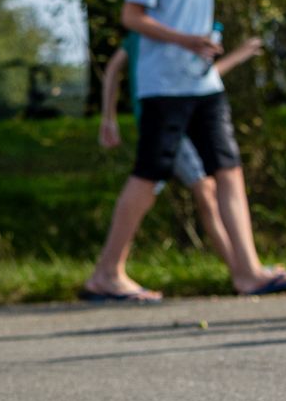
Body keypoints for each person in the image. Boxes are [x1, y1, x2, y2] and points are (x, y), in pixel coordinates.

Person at [79, 0, 286, 303]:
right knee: (148, 175)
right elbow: (132, 17)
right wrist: (185, 40)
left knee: (229, 170)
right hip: (164, 84)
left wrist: (208, 45)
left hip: (203, 83)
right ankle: (107, 273)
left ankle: (249, 273)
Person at [97, 28, 266, 276]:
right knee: (198, 190)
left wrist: (109, 117)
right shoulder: (154, 33)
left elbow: (199, 79)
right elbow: (199, 80)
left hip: (179, 118)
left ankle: (243, 269)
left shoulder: (179, 29)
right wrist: (108, 118)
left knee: (191, 189)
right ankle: (242, 271)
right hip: (168, 119)